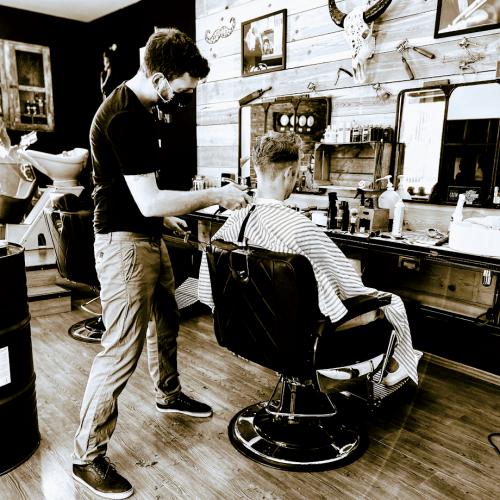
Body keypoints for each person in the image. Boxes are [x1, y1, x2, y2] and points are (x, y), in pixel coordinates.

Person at [72, 28, 251, 499]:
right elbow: (148, 200)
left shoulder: (141, 108)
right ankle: (86, 456)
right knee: (120, 349)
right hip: (124, 248)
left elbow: (132, 192)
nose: (184, 98)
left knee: (167, 320)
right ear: (159, 78)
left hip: (145, 236)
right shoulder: (124, 116)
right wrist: (216, 195)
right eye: (184, 89)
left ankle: (167, 393)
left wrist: (165, 218)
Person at [198, 131, 420, 389]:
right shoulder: (299, 228)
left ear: (258, 171)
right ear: (289, 173)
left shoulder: (232, 224)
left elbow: (208, 291)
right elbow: (351, 290)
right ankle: (397, 365)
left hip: (249, 329)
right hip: (300, 336)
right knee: (391, 303)